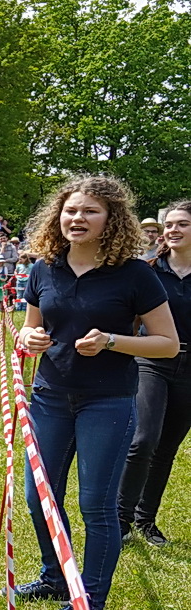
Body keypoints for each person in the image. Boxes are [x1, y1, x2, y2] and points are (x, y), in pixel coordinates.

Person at [14, 175, 179, 610]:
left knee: (96, 507)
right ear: (57, 216)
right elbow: (29, 331)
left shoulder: (135, 274)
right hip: (49, 397)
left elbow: (167, 343)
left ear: (111, 220)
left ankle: (89, 603)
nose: (77, 218)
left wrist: (112, 341)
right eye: (70, 210)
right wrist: (28, 337)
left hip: (106, 403)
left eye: (89, 211)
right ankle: (54, 576)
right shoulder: (44, 267)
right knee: (39, 499)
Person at [118, 200, 191, 547]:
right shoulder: (148, 270)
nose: (173, 230)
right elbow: (130, 321)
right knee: (143, 440)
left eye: (183, 224)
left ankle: (146, 520)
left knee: (166, 448)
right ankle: (120, 518)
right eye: (170, 224)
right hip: (151, 360)